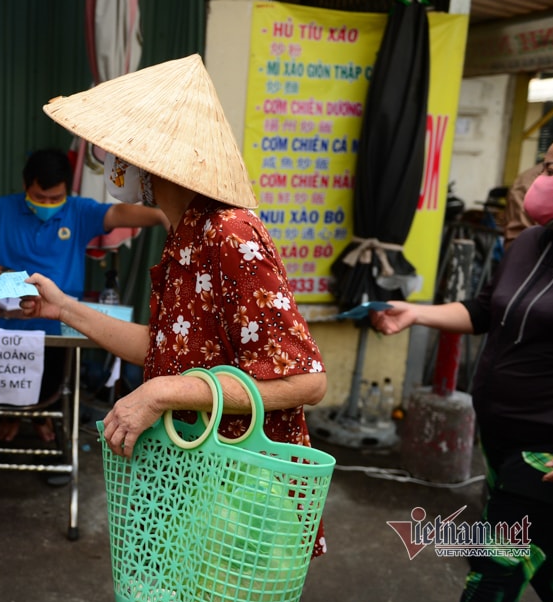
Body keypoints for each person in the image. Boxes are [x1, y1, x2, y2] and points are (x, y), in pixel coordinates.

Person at [19, 54, 328, 558]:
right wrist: (63, 309)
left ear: (151, 158)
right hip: (190, 482)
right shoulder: (184, 234)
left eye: (115, 152)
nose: (109, 165)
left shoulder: (229, 232)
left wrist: (163, 393)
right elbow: (167, 350)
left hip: (240, 491)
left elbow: (306, 380)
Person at [370, 120, 553, 602]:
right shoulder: (529, 243)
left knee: (492, 570)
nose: (535, 183)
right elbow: (486, 309)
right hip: (500, 440)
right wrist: (415, 313)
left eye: (551, 169)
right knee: (543, 555)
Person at [0, 148, 168, 443]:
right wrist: (14, 278)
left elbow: (117, 213)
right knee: (3, 381)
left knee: (55, 383)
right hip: (7, 318)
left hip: (59, 321)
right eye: (39, 198)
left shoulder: (77, 211)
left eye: (54, 199)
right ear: (25, 187)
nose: (47, 204)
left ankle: (43, 415)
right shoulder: (1, 210)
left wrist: (161, 214)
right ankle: (13, 417)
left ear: (66, 191)